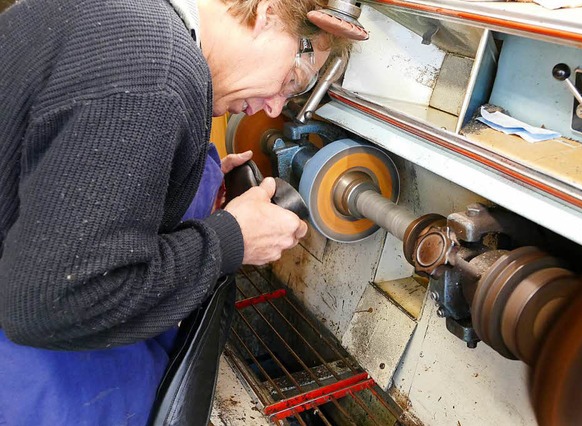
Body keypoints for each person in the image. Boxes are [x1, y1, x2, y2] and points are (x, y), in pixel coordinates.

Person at [0, 0, 351, 424]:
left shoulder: (130, 20)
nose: (276, 108)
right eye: (291, 79)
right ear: (266, 12)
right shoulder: (155, 70)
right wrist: (231, 240)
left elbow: (67, 174)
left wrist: (176, 187)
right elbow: (57, 301)